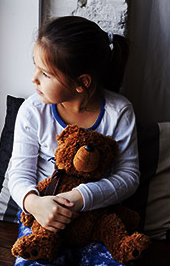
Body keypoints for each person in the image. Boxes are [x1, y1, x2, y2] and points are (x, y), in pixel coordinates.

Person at [8, 15, 140, 237]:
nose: (34, 79)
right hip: (43, 221)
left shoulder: (119, 113)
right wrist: (34, 204)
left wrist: (80, 198)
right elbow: (19, 172)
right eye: (35, 66)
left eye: (46, 74)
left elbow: (128, 176)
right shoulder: (33, 111)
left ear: (82, 83)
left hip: (97, 222)